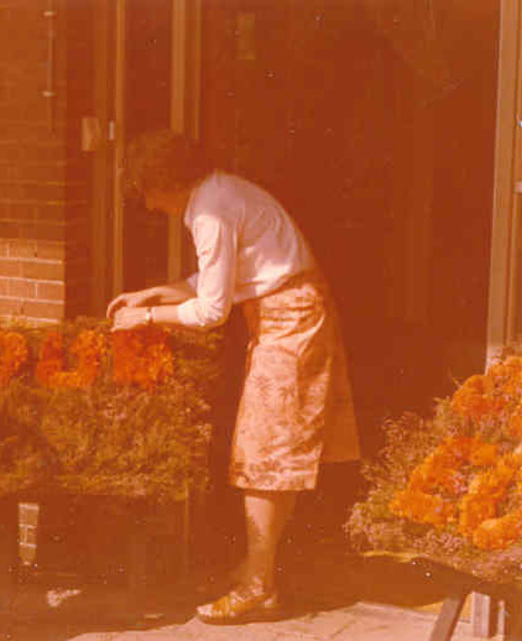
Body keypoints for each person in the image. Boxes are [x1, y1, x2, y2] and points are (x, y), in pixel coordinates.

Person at [107, 130, 360, 623]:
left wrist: (148, 318)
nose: (150, 205)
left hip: (290, 323)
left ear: (166, 182)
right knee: (276, 455)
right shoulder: (219, 192)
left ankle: (259, 587)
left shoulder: (210, 212)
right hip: (288, 315)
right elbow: (220, 279)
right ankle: (256, 569)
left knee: (263, 455)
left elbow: (212, 311)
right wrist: (157, 293)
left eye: (148, 192)